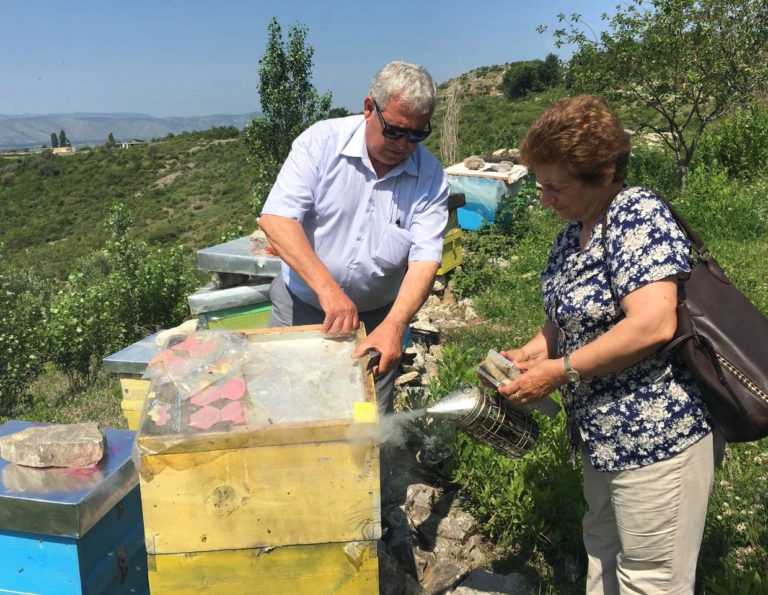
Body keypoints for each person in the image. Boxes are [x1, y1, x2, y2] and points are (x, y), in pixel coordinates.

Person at [496, 95, 720, 594]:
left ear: (602, 175)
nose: (544, 199)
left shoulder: (635, 215)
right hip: (602, 437)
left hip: (657, 433)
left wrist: (559, 372)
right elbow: (569, 320)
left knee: (651, 578)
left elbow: (653, 324)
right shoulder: (571, 234)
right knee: (603, 552)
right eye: (541, 184)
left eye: (556, 186)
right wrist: (535, 350)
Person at [259, 60, 449, 413]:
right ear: (368, 108)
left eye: (417, 135)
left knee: (367, 422)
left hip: (378, 319)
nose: (404, 145)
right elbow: (276, 218)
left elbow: (425, 260)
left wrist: (395, 325)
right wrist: (329, 290)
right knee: (287, 410)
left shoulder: (431, 177)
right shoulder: (321, 142)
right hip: (301, 307)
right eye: (394, 130)